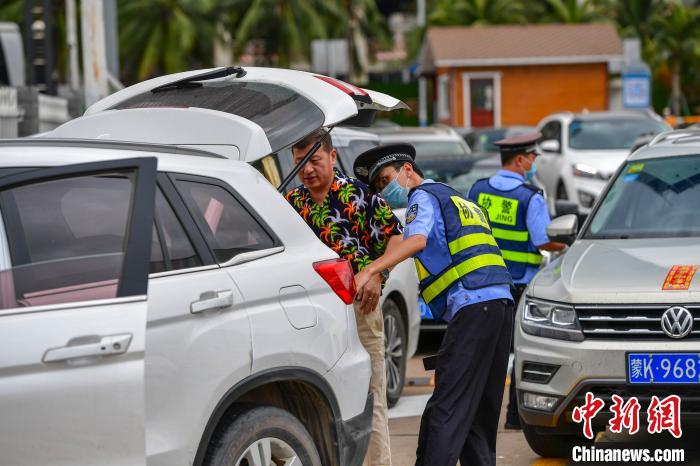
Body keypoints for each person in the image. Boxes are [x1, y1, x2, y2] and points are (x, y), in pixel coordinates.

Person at [353, 143, 514, 466]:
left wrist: (371, 269)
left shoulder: (422, 197)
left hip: (472, 306)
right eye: (379, 187)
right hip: (500, 305)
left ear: (407, 170)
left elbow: (417, 240)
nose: (384, 191)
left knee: (446, 408)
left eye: (385, 180)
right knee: (478, 412)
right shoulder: (457, 198)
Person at [286, 129, 402, 466]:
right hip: (311, 316)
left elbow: (396, 237)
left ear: (332, 157)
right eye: (300, 163)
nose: (308, 170)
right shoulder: (291, 204)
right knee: (315, 400)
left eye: (314, 160)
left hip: (359, 310)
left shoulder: (360, 195)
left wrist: (377, 274)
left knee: (370, 398)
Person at [467, 132, 567, 430]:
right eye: (532, 158)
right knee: (519, 351)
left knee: (483, 353)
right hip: (518, 286)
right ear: (521, 160)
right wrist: (567, 243)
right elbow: (543, 240)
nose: (534, 163)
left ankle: (476, 417)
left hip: (480, 281)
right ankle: (514, 417)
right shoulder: (530, 196)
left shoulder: (478, 190)